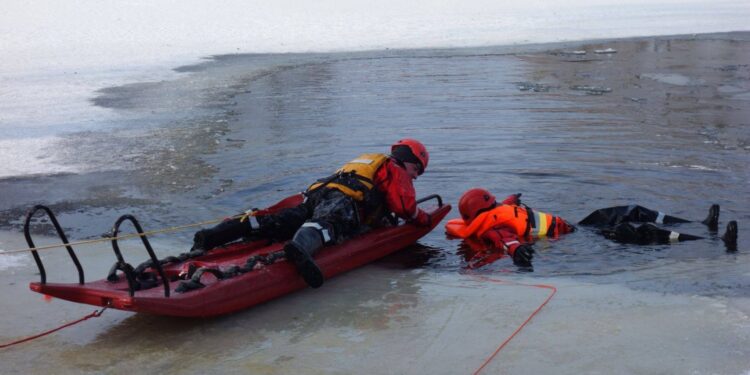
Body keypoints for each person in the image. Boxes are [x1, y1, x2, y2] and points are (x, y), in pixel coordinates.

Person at [191, 139, 432, 288]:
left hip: (317, 192)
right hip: (344, 200)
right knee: (329, 224)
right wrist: (423, 218)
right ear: (407, 161)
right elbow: (403, 206)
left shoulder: (369, 161)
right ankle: (301, 247)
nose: (415, 176)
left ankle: (217, 233)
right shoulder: (395, 168)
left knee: (281, 221)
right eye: (416, 171)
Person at [446, 188, 739, 268]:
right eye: (494, 202)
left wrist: (513, 199)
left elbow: (506, 210)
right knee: (636, 231)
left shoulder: (496, 211)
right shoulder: (493, 229)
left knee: (631, 210)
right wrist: (519, 252)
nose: (499, 203)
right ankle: (710, 241)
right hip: (572, 240)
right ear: (484, 210)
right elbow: (507, 241)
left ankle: (698, 224)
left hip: (576, 228)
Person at [445, 188, 576, 268]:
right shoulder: (494, 223)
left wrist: (510, 200)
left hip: (560, 233)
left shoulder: (492, 222)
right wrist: (516, 249)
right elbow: (505, 239)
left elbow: (504, 236)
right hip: (562, 229)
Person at [578, 204, 737, 250]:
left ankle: (698, 224)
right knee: (645, 232)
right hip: (581, 235)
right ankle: (722, 240)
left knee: (634, 210)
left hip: (579, 226)